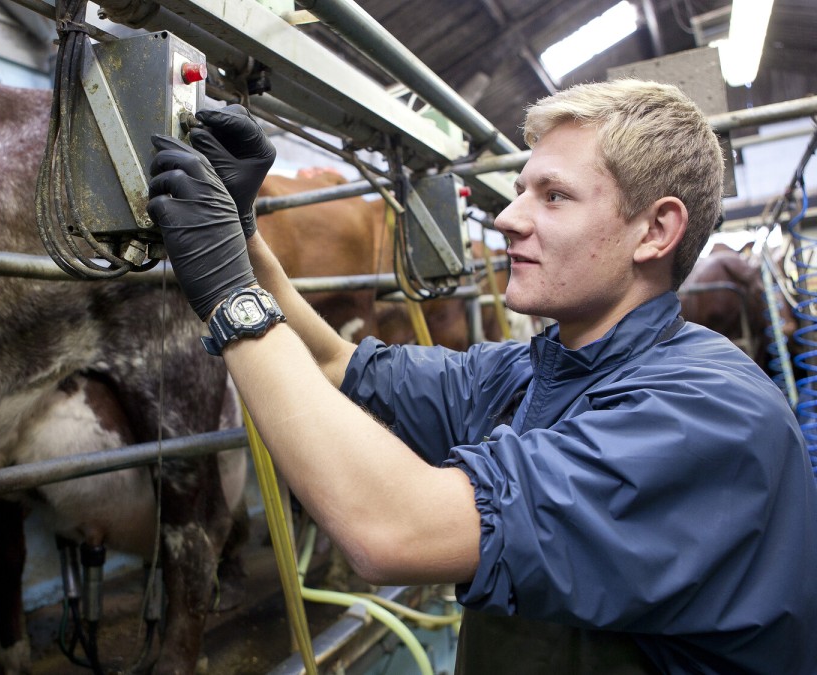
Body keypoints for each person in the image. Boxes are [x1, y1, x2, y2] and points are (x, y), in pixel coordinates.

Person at [146, 79, 817, 674]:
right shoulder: (524, 373)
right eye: (522, 187)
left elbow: (391, 529)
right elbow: (331, 361)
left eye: (553, 196)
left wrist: (232, 300)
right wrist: (242, 232)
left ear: (655, 231)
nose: (507, 216)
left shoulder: (708, 412)